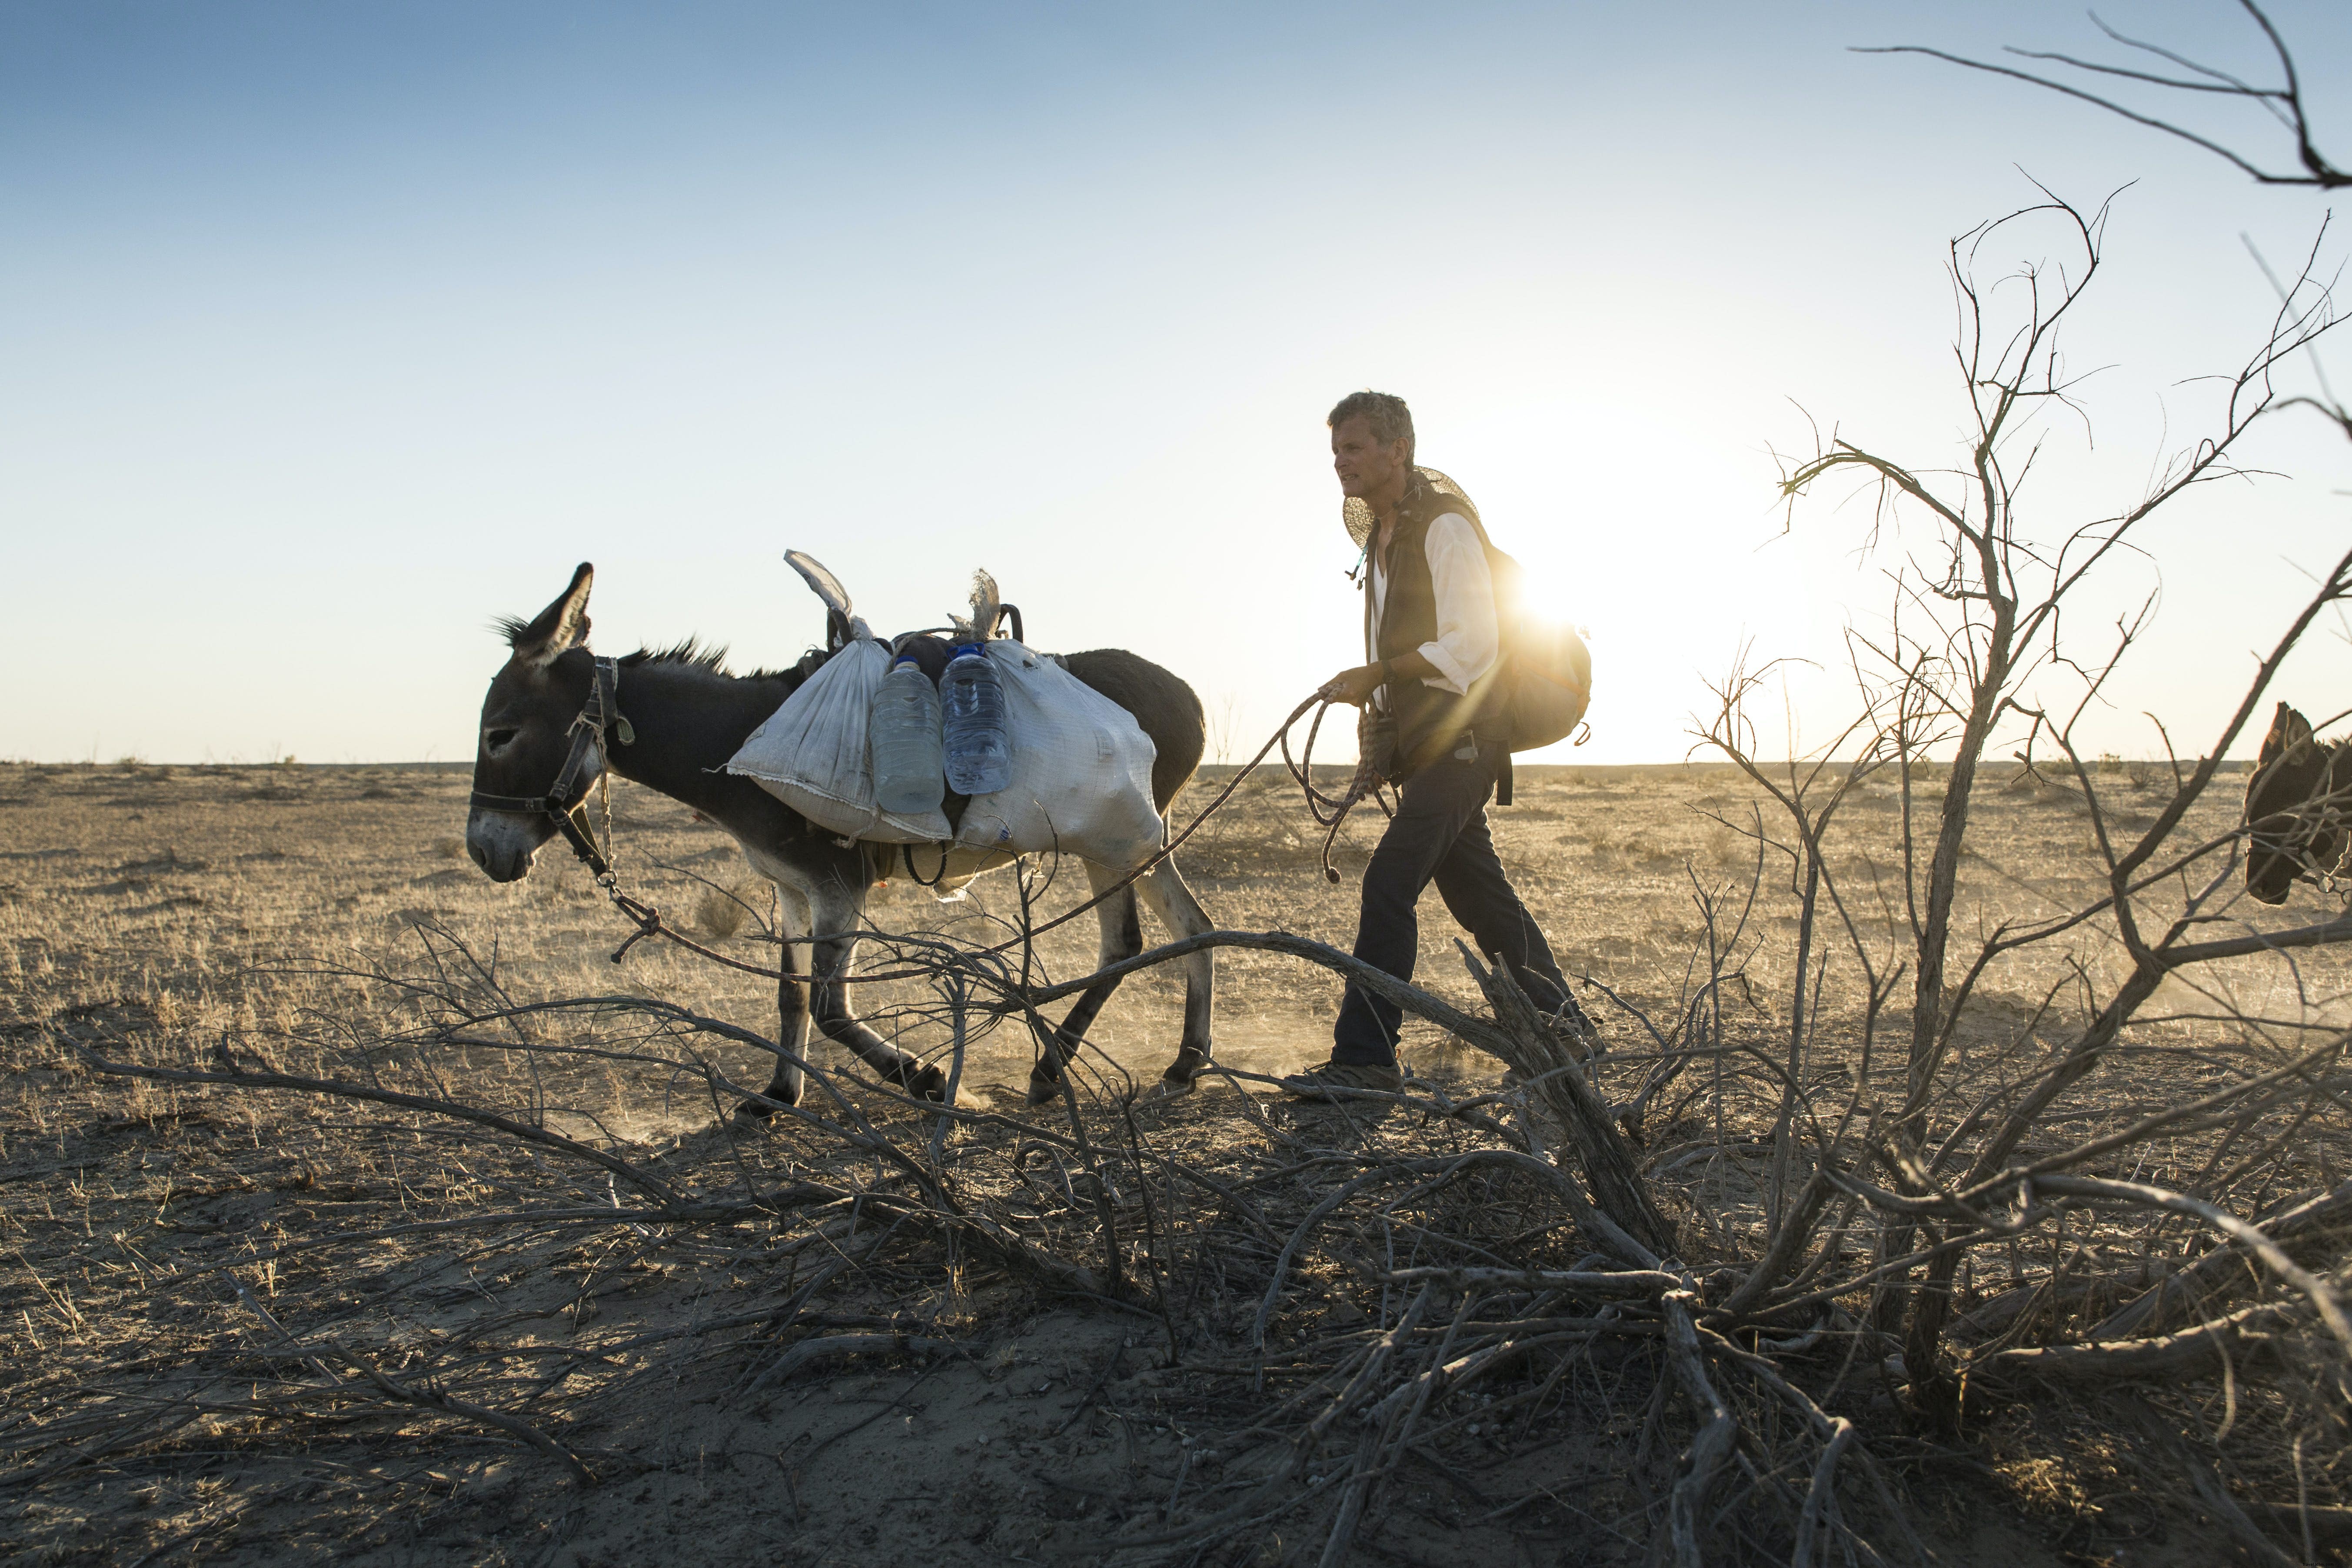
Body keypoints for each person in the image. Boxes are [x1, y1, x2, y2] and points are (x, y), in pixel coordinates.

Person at [1281, 391, 1581, 1098]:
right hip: (1429, 749)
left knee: (1389, 883)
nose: (1340, 462)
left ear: (1398, 451)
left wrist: (1380, 674)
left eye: (1354, 447)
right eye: (1335, 451)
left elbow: (1474, 646)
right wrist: (1377, 739)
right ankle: (1565, 1031)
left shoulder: (1445, 527)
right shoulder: (1380, 547)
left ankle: (1367, 1059)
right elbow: (1399, 663)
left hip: (1468, 741)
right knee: (1483, 900)